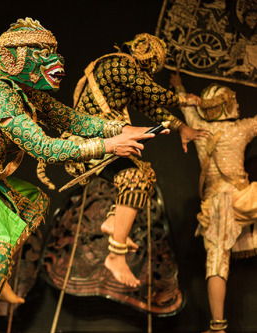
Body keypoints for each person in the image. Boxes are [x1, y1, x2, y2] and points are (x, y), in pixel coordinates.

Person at [0, 18, 164, 333]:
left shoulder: (27, 93)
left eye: (52, 52)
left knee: (33, 203)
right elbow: (42, 147)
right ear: (11, 57)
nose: (53, 61)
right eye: (41, 52)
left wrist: (122, 129)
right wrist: (109, 144)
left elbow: (73, 120)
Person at [70, 33, 209, 287]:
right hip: (92, 136)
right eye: (152, 65)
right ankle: (115, 255)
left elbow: (148, 103)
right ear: (144, 54)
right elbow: (151, 92)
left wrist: (180, 127)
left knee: (142, 175)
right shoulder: (117, 64)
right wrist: (183, 99)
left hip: (106, 135)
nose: (150, 72)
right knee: (137, 176)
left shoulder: (121, 73)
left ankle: (114, 221)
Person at [170, 73, 257, 333]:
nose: (238, 106)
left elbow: (187, 109)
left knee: (217, 263)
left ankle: (218, 327)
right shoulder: (240, 128)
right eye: (233, 102)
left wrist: (178, 87)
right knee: (218, 262)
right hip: (243, 201)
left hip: (216, 207)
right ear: (225, 105)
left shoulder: (199, 131)